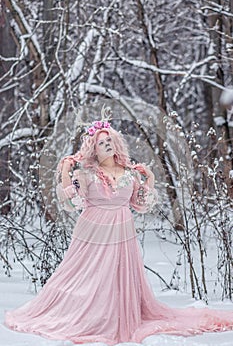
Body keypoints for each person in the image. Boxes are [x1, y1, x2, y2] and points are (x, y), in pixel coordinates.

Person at [4, 119, 233, 345]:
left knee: (117, 277)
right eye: (100, 142)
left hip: (123, 231)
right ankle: (90, 318)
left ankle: (117, 317)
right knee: (89, 278)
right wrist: (65, 172)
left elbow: (141, 205)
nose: (106, 144)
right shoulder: (85, 174)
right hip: (92, 232)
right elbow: (72, 203)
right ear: (93, 148)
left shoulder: (130, 173)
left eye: (109, 140)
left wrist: (149, 180)